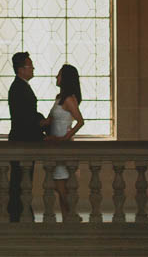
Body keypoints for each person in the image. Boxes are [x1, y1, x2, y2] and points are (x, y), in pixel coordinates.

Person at [5, 51, 45, 222]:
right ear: (21, 70)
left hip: (24, 140)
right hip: (22, 141)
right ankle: (17, 214)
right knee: (20, 181)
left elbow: (30, 114)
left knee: (23, 180)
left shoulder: (22, 86)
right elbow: (25, 118)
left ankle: (21, 212)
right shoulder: (18, 88)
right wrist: (43, 124)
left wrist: (42, 120)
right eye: (30, 66)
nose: (33, 68)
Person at [47, 63, 85, 219]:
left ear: (66, 78)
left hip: (63, 147)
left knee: (62, 185)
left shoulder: (69, 99)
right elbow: (50, 119)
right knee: (59, 186)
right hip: (54, 146)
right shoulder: (59, 98)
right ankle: (67, 218)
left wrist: (65, 138)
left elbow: (80, 121)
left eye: (59, 74)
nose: (56, 77)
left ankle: (71, 216)